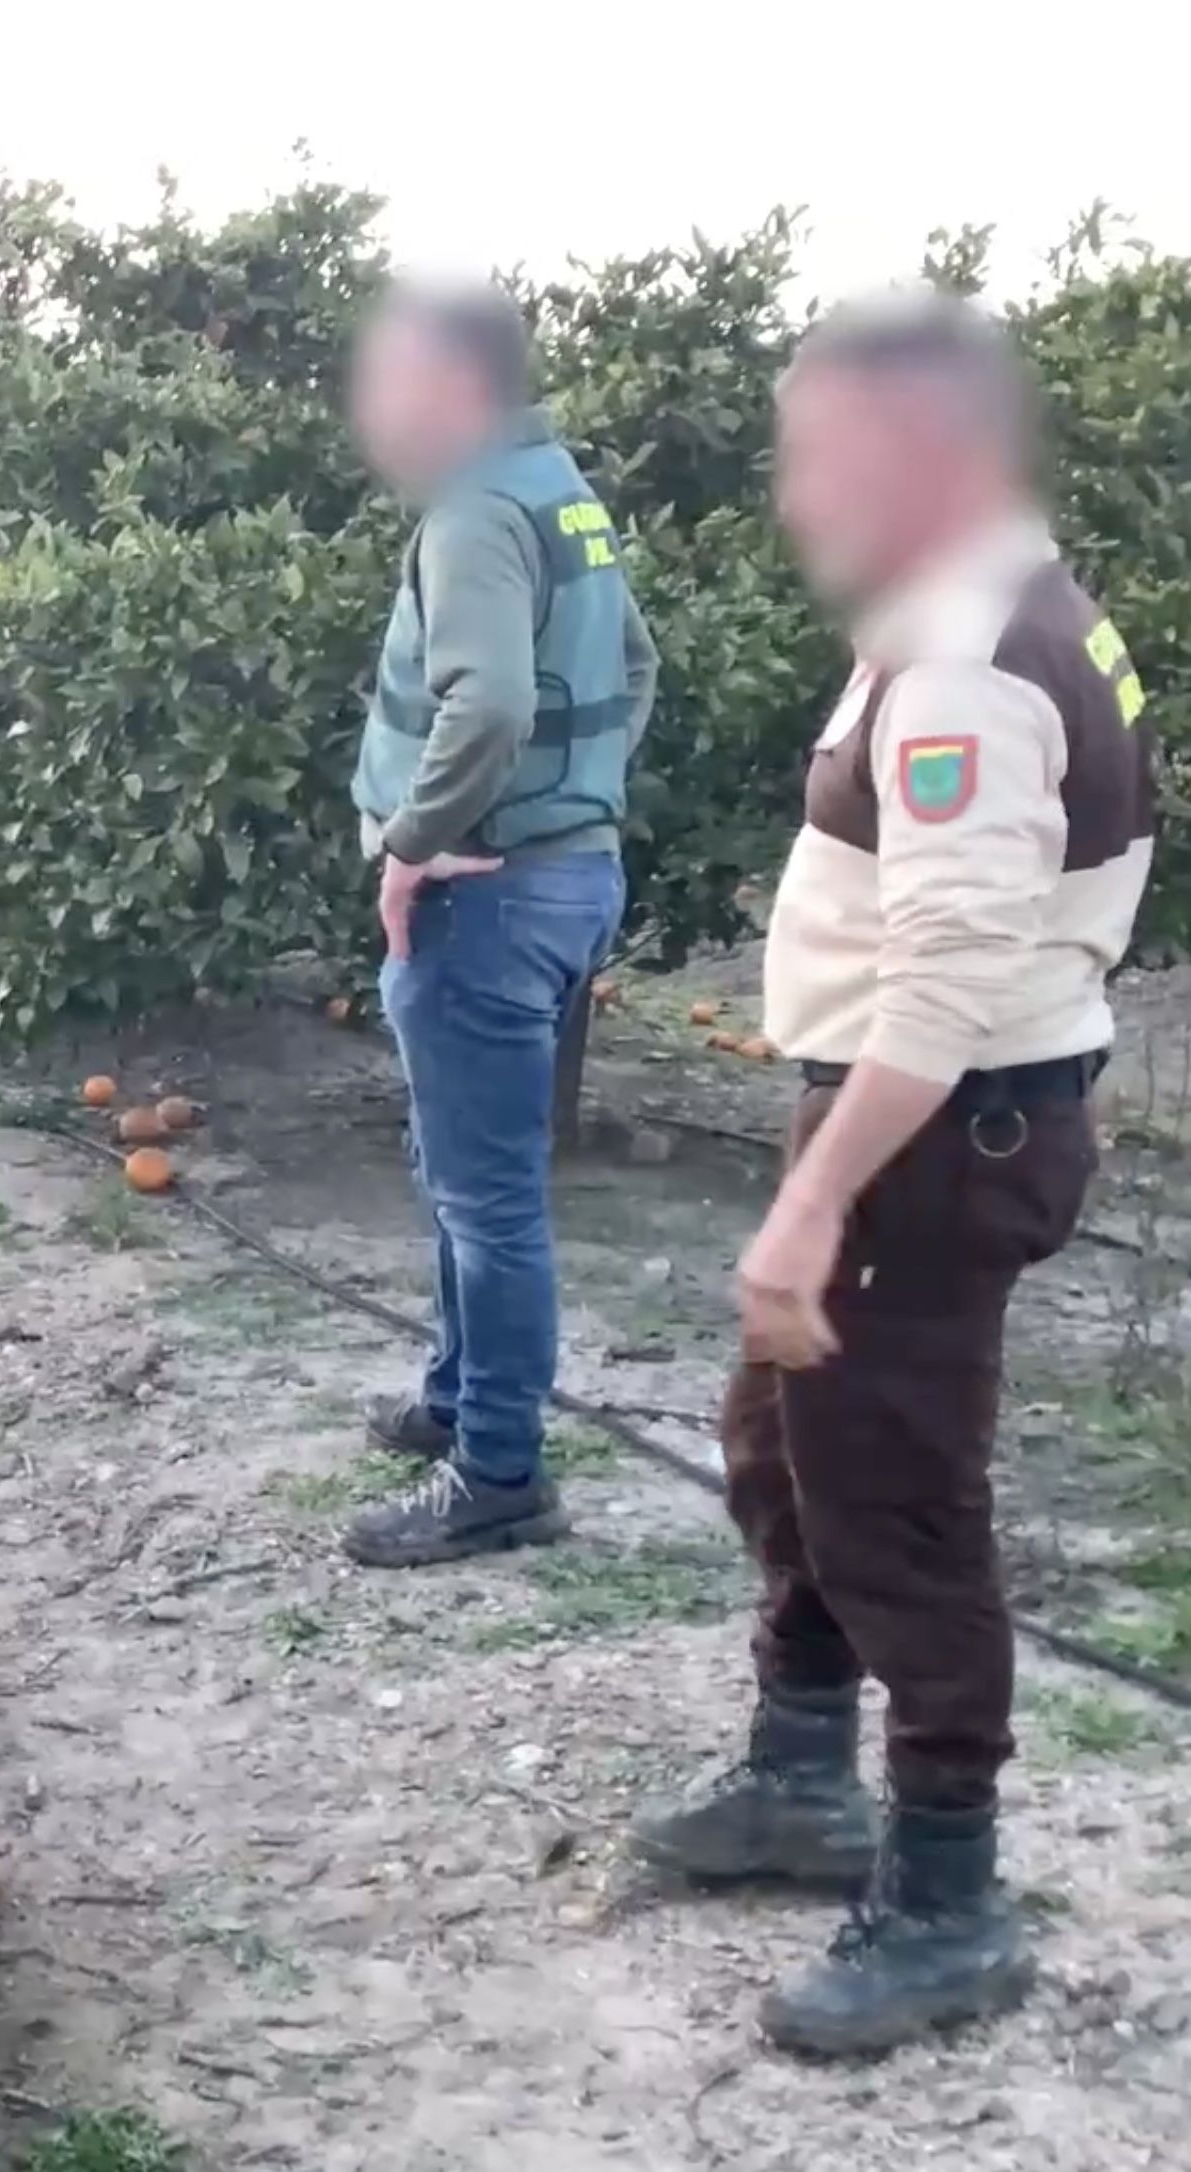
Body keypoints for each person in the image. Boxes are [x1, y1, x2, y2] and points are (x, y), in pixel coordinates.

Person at [629, 291, 1149, 2057]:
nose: (794, 493)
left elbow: (944, 982)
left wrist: (813, 1196)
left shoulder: (965, 668)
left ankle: (946, 1896)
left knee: (898, 1503)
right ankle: (800, 1773)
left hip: (932, 1131)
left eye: (820, 455)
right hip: (915, 1114)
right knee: (786, 1449)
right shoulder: (969, 611)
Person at [339, 278, 660, 1569]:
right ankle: (457, 1395)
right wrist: (580, 806)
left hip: (488, 892)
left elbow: (490, 705)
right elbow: (634, 666)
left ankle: (499, 1473)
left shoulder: (476, 509)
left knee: (488, 1199)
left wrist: (417, 840)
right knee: (464, 1165)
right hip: (566, 877)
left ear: (457, 385)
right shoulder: (557, 489)